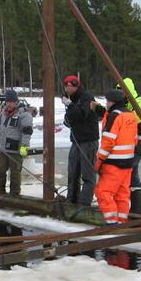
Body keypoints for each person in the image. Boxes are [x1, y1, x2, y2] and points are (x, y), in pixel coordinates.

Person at [92, 89, 137, 224]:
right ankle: (122, 221)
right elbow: (134, 139)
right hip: (128, 162)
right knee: (122, 194)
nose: (106, 104)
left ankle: (112, 222)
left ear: (112, 102)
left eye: (107, 101)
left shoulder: (114, 116)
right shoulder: (130, 115)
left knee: (102, 192)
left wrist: (99, 161)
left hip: (114, 162)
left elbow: (108, 142)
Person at [62, 75, 99, 205]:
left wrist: (70, 105)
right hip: (76, 140)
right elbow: (70, 118)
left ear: (75, 86)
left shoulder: (87, 98)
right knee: (73, 172)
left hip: (88, 141)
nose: (66, 89)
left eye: (68, 86)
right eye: (65, 86)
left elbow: (81, 114)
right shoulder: (73, 99)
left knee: (87, 174)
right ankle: (71, 200)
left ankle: (84, 203)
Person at [117, 78, 141, 214]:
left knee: (128, 174)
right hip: (127, 147)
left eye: (122, 91)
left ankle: (135, 209)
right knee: (131, 176)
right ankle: (134, 209)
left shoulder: (139, 105)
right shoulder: (124, 106)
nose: (120, 94)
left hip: (138, 147)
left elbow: (129, 121)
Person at [0, 89, 33, 195]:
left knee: (15, 174)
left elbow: (27, 132)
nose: (9, 104)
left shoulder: (24, 115)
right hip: (3, 149)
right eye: (8, 101)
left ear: (16, 102)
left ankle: (15, 195)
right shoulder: (3, 113)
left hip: (15, 151)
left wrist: (24, 146)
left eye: (11, 102)